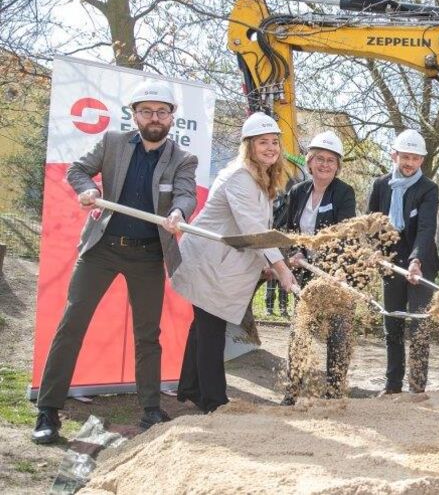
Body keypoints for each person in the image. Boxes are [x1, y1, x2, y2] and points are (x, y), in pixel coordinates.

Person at [32, 81, 198, 444]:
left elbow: (185, 194)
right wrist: (86, 190)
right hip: (102, 249)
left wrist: (178, 212)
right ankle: (48, 410)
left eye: (162, 112)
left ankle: (151, 409)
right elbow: (77, 170)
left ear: (172, 117)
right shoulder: (111, 143)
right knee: (71, 324)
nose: (154, 118)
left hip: (148, 254)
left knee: (147, 336)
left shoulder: (182, 159)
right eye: (146, 111)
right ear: (134, 114)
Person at [171, 112, 298, 413]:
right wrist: (282, 270)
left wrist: (268, 264)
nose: (270, 148)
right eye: (262, 142)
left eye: (274, 143)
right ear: (248, 146)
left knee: (203, 327)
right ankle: (214, 402)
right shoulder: (240, 177)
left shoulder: (261, 177)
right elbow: (253, 229)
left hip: (223, 264)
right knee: (211, 330)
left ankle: (189, 387)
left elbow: (253, 230)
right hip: (210, 263)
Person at [278, 131, 357, 404]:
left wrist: (336, 268)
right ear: (309, 162)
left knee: (337, 334)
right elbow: (290, 230)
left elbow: (345, 235)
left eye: (331, 161)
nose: (324, 165)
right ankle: (292, 391)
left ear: (337, 166)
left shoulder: (344, 193)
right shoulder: (297, 192)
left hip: (337, 273)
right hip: (305, 273)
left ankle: (334, 394)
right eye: (319, 159)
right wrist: (296, 251)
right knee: (300, 331)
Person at [368, 129, 439, 395]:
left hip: (421, 266)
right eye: (405, 157)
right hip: (390, 265)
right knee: (393, 324)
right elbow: (371, 223)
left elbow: (426, 227)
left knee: (420, 324)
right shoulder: (380, 185)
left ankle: (418, 386)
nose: (410, 163)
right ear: (394, 155)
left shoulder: (428, 189)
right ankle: (392, 385)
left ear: (422, 160)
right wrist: (375, 250)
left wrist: (416, 260)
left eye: (415, 158)